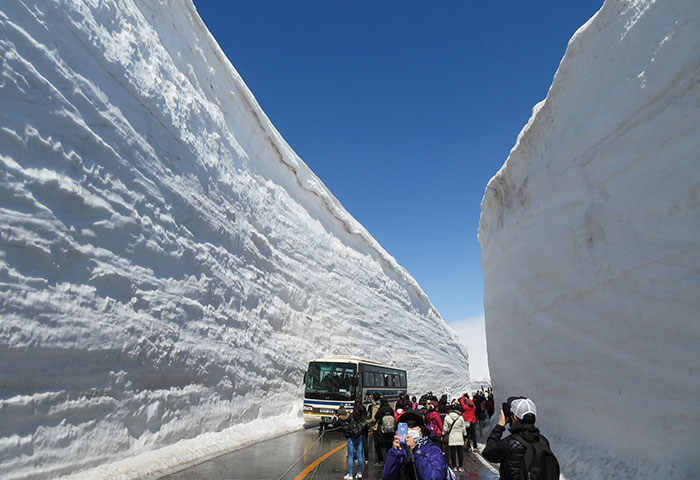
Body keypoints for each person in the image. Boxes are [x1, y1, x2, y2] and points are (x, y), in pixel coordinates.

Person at [482, 397, 558, 480]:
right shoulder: (542, 441)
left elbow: (488, 452)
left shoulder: (509, 442)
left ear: (515, 418)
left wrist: (499, 426)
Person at [382, 410, 449, 480]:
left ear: (421, 430)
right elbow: (387, 476)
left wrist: (416, 450)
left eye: (412, 426)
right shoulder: (399, 451)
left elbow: (434, 477)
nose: (408, 430)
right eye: (405, 427)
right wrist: (395, 453)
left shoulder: (433, 451)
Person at [333, 404, 364, 480]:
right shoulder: (350, 416)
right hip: (358, 436)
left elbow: (334, 425)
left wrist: (334, 417)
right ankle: (359, 473)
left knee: (350, 456)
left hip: (350, 438)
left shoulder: (340, 420)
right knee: (359, 455)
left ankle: (350, 475)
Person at [442, 403, 467, 472]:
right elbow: (463, 428)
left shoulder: (447, 417)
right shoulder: (460, 417)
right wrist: (465, 436)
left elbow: (445, 428)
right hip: (459, 436)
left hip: (452, 436)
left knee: (452, 452)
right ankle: (461, 466)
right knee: (460, 451)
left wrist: (443, 434)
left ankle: (454, 466)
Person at [375, 396, 395, 464]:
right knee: (389, 447)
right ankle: (390, 462)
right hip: (390, 431)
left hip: (382, 431)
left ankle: (385, 462)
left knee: (383, 447)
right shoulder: (390, 409)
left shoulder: (380, 410)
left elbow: (376, 417)